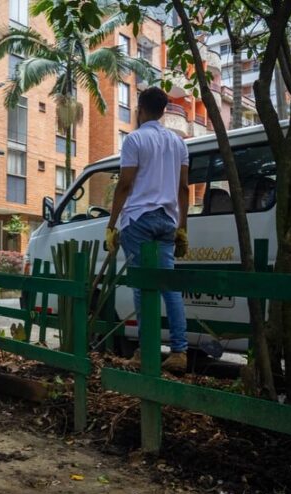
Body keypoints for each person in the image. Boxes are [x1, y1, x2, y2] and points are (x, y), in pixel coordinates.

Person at [105, 86, 190, 374]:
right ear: (164, 110)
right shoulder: (179, 143)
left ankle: (146, 351)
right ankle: (179, 351)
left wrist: (111, 225)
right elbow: (183, 189)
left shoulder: (134, 139)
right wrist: (182, 229)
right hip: (167, 221)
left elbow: (125, 184)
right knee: (169, 286)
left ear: (140, 109)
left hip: (138, 221)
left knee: (143, 287)